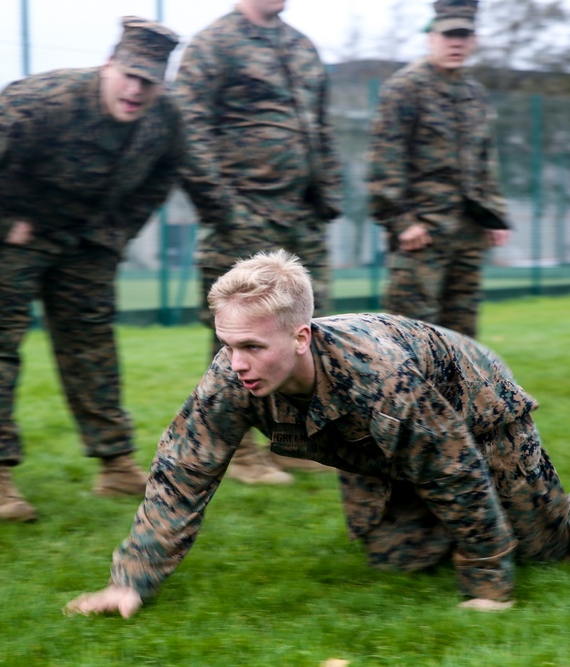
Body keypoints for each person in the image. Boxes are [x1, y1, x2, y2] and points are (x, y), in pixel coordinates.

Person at [65, 250, 570, 617]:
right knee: (397, 560)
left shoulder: (379, 381)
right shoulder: (232, 380)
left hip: (474, 412)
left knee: (551, 549)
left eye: (252, 346)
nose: (236, 363)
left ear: (300, 337)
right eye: (227, 345)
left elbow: (456, 468)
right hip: (379, 445)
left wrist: (488, 580)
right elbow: (181, 474)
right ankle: (463, 522)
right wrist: (131, 579)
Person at [0, 17, 183, 519]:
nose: (137, 91)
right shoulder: (44, 101)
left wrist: (117, 233)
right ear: (109, 66)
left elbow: (164, 173)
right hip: (9, 236)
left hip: (85, 240)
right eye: (130, 76)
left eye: (150, 82)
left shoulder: (165, 119)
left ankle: (115, 464)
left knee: (91, 342)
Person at [173, 0, 343, 484]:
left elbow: (321, 124)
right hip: (244, 214)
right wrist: (223, 207)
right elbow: (187, 127)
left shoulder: (301, 45)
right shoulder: (213, 44)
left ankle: (291, 440)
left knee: (302, 334)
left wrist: (327, 194)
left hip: (301, 215)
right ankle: (239, 450)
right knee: (238, 338)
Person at [367, 0, 509, 340]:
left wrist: (494, 215)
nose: (456, 43)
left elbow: (485, 159)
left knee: (462, 334)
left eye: (464, 35)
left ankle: (456, 394)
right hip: (422, 233)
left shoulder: (475, 94)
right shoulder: (405, 89)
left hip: (467, 231)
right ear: (431, 37)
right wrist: (402, 221)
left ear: (474, 40)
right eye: (448, 35)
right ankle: (406, 395)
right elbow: (384, 161)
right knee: (411, 333)